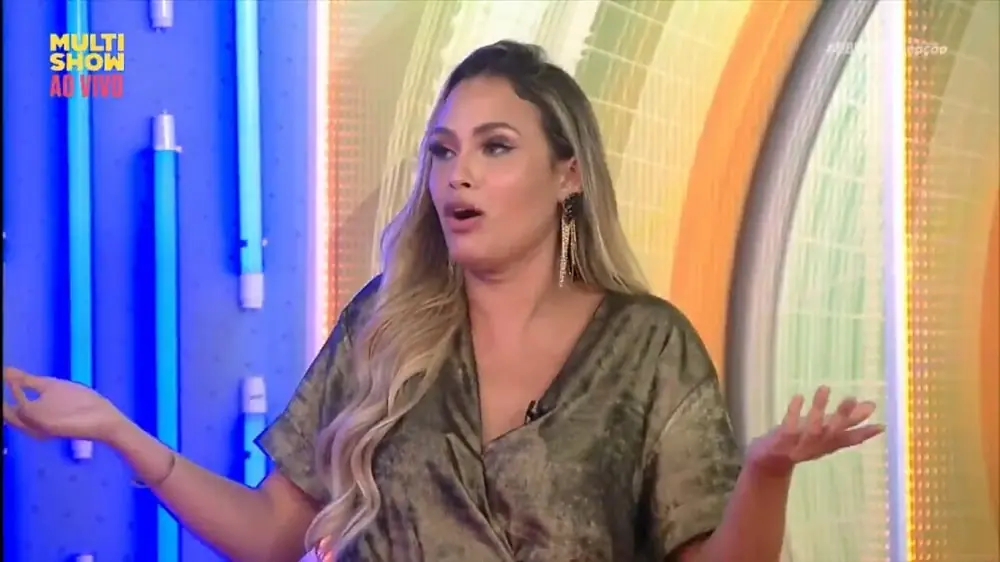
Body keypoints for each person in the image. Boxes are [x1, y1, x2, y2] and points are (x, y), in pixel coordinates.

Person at [3, 41, 883, 562]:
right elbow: (272, 534)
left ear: (568, 175)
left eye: (494, 148)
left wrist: (767, 472)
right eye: (441, 150)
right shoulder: (384, 326)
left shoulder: (648, 348)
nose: (457, 174)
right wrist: (119, 432)